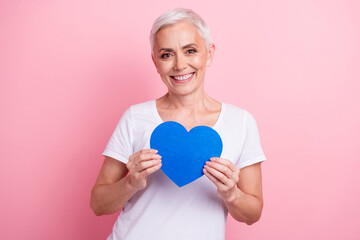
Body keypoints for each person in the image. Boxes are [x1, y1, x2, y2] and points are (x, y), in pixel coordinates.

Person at [90, 8, 267, 240]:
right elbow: (98, 204)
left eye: (190, 51)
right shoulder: (135, 118)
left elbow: (252, 214)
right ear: (155, 62)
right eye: (166, 55)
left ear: (209, 53)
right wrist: (131, 182)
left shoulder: (241, 123)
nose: (180, 65)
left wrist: (231, 193)